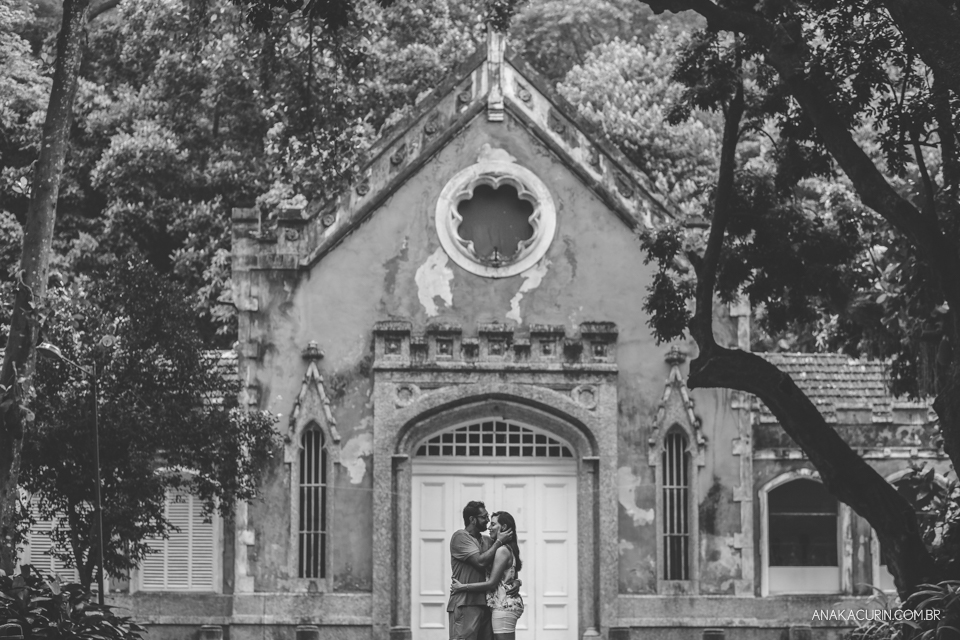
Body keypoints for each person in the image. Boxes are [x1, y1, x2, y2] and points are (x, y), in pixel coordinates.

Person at [451, 511, 524, 640]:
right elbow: (511, 573)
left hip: (503, 606)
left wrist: (462, 587)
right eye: (485, 519)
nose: (489, 526)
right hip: (501, 604)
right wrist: (517, 581)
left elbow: (492, 582)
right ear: (472, 519)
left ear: (504, 527)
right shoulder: (500, 546)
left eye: (493, 524)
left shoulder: (501, 549)